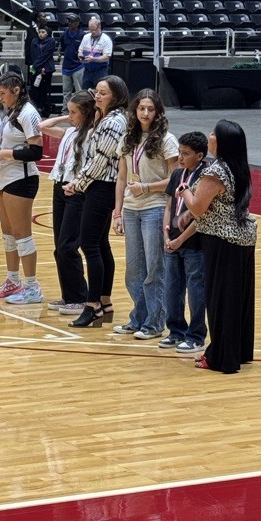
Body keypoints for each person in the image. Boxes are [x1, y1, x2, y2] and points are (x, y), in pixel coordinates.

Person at [179, 120, 257, 374]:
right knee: (238, 298)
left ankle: (221, 357)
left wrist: (184, 191)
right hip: (242, 239)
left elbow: (198, 207)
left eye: (213, 133)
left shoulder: (216, 171)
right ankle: (239, 351)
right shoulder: (238, 166)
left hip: (222, 240)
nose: (209, 135)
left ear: (221, 142)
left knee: (221, 299)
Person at [112, 90, 179, 340]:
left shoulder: (167, 140)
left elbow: (174, 179)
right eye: (141, 108)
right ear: (135, 110)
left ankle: (155, 322)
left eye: (151, 109)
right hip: (131, 209)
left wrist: (146, 188)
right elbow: (121, 178)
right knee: (134, 270)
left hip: (155, 207)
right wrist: (117, 212)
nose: (146, 113)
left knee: (154, 268)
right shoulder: (127, 138)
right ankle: (138, 318)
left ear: (158, 111)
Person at [64, 75, 129, 327]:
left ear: (116, 96)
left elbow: (100, 160)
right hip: (99, 185)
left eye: (103, 93)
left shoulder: (113, 122)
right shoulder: (105, 118)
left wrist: (77, 184)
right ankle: (104, 302)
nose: (97, 96)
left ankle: (93, 306)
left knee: (90, 245)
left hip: (102, 186)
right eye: (97, 92)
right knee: (100, 245)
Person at [0, 71, 44, 303]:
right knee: (8, 235)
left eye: (3, 93)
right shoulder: (11, 111)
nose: (0, 98)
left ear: (16, 91)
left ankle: (32, 287)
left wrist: (5, 154)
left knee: (22, 235)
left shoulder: (28, 113)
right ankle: (12, 280)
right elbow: (10, 141)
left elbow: (36, 152)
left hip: (21, 179)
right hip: (4, 177)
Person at [38, 91, 96, 314]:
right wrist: (67, 117)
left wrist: (83, 116)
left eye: (73, 112)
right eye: (68, 111)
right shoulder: (70, 131)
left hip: (76, 190)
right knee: (59, 247)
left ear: (86, 113)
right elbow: (42, 126)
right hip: (59, 186)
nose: (69, 115)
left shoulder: (92, 134)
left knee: (67, 246)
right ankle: (68, 296)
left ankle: (80, 297)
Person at [161, 131, 209, 354]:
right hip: (173, 241)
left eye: (186, 154)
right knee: (172, 289)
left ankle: (196, 336)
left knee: (196, 291)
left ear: (199, 156)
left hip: (194, 244)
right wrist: (166, 234)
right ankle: (176, 331)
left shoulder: (206, 178)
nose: (180, 157)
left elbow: (201, 216)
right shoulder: (177, 174)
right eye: (179, 152)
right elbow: (169, 206)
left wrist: (180, 239)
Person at [60, 13, 85, 114]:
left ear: (77, 23)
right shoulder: (64, 35)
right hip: (66, 66)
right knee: (66, 91)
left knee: (79, 91)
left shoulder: (83, 35)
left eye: (72, 21)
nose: (69, 23)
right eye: (69, 21)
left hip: (78, 66)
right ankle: (65, 112)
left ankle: (81, 111)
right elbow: (63, 48)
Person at [78, 16, 113, 90]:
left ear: (99, 27)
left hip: (100, 71)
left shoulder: (106, 39)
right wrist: (80, 56)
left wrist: (93, 59)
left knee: (99, 91)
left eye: (94, 30)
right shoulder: (86, 37)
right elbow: (80, 51)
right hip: (87, 71)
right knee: (85, 92)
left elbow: (106, 58)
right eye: (90, 30)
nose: (92, 32)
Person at [29, 25, 56, 117]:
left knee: (45, 90)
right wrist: (38, 68)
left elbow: (46, 55)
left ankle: (45, 109)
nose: (40, 34)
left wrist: (42, 67)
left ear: (47, 33)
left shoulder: (51, 41)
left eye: (43, 32)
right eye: (39, 32)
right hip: (36, 68)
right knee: (35, 90)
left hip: (47, 69)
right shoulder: (34, 41)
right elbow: (34, 55)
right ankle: (35, 109)